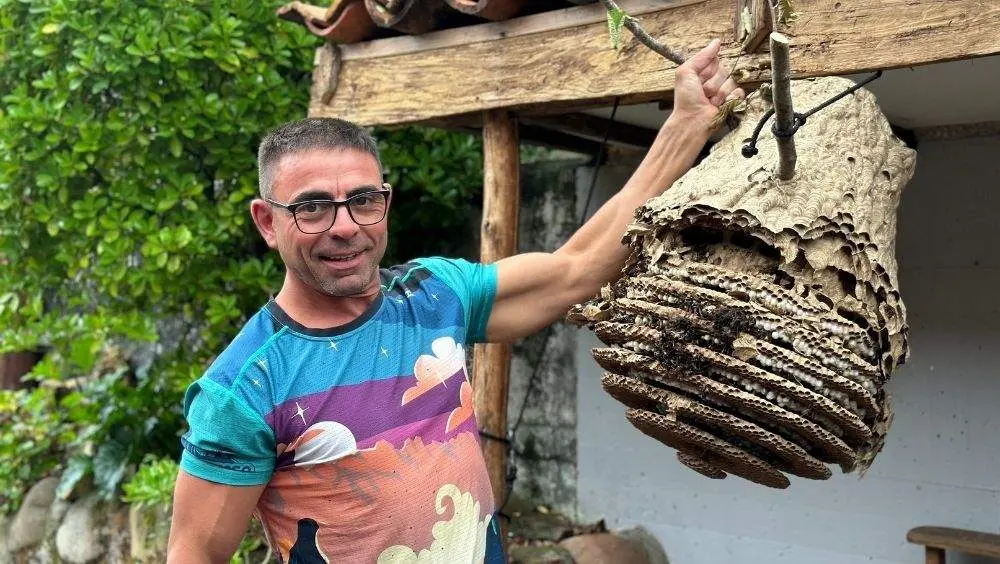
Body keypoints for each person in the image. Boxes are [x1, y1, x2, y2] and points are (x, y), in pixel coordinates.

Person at [166, 39, 744, 564]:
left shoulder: (433, 296)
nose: (344, 227)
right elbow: (195, 554)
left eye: (363, 200)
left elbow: (574, 272)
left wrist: (685, 127)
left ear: (384, 204)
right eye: (312, 207)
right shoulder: (245, 388)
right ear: (268, 222)